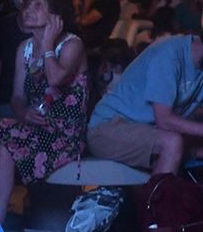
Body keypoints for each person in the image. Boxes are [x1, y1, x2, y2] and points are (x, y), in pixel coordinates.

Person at [0, 0, 86, 221]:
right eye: (28, 5)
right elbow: (17, 97)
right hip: (35, 130)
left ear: (56, 16)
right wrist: (23, 113)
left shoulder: (72, 44)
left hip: (64, 137)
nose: (28, 10)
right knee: (3, 148)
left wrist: (48, 45)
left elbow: (56, 78)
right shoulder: (25, 48)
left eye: (38, 6)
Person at [87, 33, 203, 175]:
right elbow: (164, 120)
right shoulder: (170, 54)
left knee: (191, 139)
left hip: (147, 129)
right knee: (172, 142)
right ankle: (162, 197)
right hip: (107, 127)